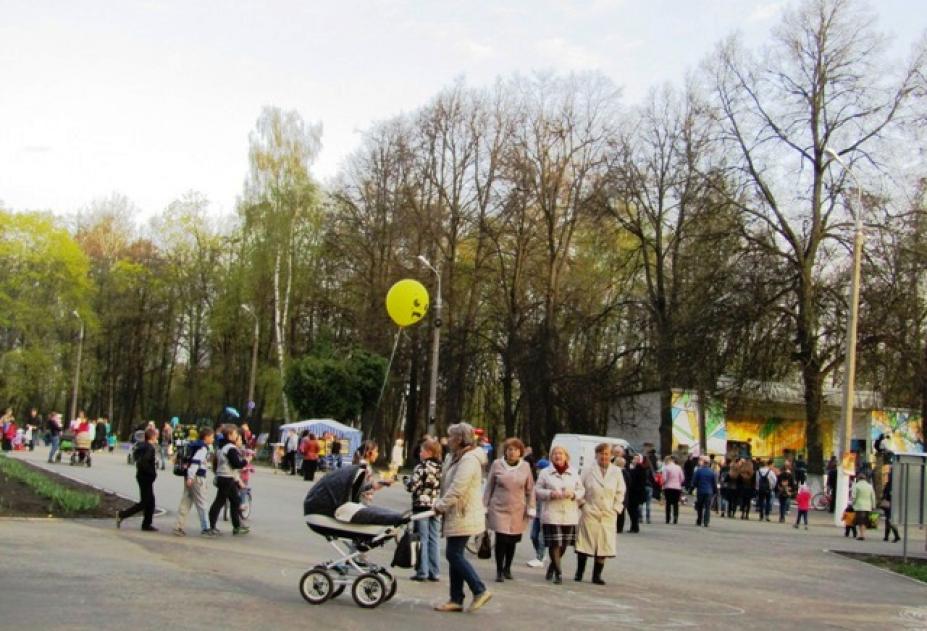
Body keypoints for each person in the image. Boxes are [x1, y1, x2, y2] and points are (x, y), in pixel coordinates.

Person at [433, 422, 492, 613]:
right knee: (454, 554)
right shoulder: (454, 457)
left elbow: (458, 488)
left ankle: (479, 589)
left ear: (459, 439)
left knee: (453, 554)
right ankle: (456, 599)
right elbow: (445, 482)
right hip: (455, 513)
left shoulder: (469, 460)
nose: (448, 440)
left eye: (451, 436)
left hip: (464, 513)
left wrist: (441, 505)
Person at [484, 437, 535, 583]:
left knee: (512, 540)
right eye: (510, 449)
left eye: (516, 450)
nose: (512, 452)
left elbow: (530, 489)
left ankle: (507, 568)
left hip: (517, 509)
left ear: (520, 452)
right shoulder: (497, 464)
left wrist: (531, 507)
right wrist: (484, 505)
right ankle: (499, 570)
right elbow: (489, 486)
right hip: (499, 507)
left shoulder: (525, 466)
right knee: (501, 539)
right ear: (505, 451)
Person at [575, 443, 625, 585]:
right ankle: (579, 572)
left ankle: (597, 575)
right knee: (584, 545)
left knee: (603, 546)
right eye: (601, 453)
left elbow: (620, 492)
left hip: (608, 513)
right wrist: (582, 505)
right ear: (596, 455)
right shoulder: (587, 470)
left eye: (607, 454)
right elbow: (579, 488)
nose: (604, 456)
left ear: (611, 456)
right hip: (590, 511)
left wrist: (616, 509)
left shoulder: (616, 472)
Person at [535, 445, 585, 584]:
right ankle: (559, 573)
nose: (558, 456)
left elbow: (581, 490)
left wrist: (573, 494)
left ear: (566, 456)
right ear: (551, 457)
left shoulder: (573, 472)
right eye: (555, 454)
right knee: (555, 543)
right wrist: (550, 493)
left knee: (564, 545)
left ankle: (552, 567)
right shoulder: (545, 473)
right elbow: (537, 490)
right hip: (552, 513)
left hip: (569, 513)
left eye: (561, 453)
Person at [406, 438, 443, 582]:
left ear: (429, 452)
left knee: (422, 539)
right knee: (434, 539)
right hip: (436, 506)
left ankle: (422, 571)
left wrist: (406, 482)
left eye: (422, 451)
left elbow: (412, 487)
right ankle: (435, 571)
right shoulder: (441, 467)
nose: (420, 453)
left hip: (421, 506)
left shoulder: (421, 467)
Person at [208, 424, 250, 535]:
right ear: (230, 435)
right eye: (235, 434)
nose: (237, 436)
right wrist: (246, 461)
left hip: (225, 477)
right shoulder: (230, 448)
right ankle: (211, 526)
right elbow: (236, 464)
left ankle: (237, 526)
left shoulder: (222, 447)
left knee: (235, 501)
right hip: (226, 478)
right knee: (219, 502)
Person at [173, 427, 215, 537]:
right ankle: (206, 528)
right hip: (197, 477)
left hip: (188, 475)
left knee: (186, 501)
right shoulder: (203, 448)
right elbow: (195, 462)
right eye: (212, 437)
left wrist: (189, 476)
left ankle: (178, 526)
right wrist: (191, 477)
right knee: (202, 503)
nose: (213, 439)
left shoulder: (194, 445)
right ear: (206, 437)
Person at [117, 427, 159, 531]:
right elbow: (144, 462)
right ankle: (122, 515)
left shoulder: (142, 445)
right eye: (156, 436)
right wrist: (151, 473)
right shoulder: (150, 448)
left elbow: (138, 460)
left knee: (150, 502)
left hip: (141, 476)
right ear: (152, 436)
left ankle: (146, 524)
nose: (157, 438)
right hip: (146, 477)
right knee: (145, 502)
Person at [526, 453, 549, 568]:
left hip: (546, 513)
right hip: (537, 513)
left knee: (541, 537)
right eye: (538, 468)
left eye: (541, 468)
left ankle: (540, 556)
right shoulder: (535, 479)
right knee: (533, 536)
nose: (539, 471)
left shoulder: (548, 481)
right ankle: (540, 554)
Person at [691, 456, 716, 527]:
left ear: (703, 463)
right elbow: (714, 483)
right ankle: (706, 522)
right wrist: (715, 491)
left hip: (700, 491)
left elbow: (694, 481)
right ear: (708, 464)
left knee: (700, 506)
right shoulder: (712, 472)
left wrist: (693, 488)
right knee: (707, 507)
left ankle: (699, 520)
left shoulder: (698, 471)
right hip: (709, 492)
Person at [851, 472, 876, 541]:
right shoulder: (870, 486)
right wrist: (873, 505)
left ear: (858, 478)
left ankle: (862, 535)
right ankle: (862, 534)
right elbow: (873, 497)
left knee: (860, 521)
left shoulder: (856, 486)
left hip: (859, 506)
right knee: (864, 521)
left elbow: (853, 497)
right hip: (868, 506)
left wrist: (852, 504)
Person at [626, 454, 646, 532]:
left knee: (633, 510)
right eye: (634, 458)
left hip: (636, 493)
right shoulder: (633, 468)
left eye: (636, 459)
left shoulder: (640, 468)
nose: (634, 460)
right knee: (631, 510)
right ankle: (633, 526)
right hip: (633, 493)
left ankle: (635, 527)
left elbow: (637, 480)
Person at [662, 455, 684, 524]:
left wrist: (663, 485)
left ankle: (668, 519)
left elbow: (664, 479)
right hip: (677, 488)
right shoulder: (678, 467)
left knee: (668, 503)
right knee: (676, 504)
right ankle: (675, 518)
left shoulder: (666, 468)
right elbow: (682, 478)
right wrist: (678, 483)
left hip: (668, 487)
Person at [881, 471, 901, 543]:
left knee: (889, 520)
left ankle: (896, 535)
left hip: (889, 504)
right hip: (895, 504)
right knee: (888, 520)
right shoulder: (898, 484)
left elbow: (885, 494)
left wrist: (884, 498)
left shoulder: (889, 485)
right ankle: (887, 536)